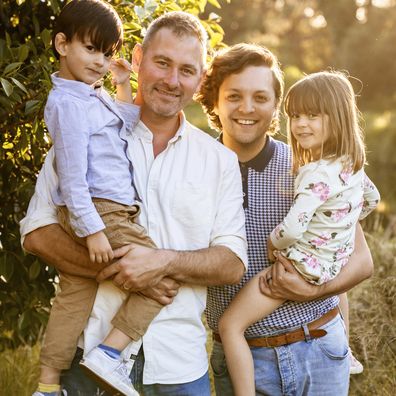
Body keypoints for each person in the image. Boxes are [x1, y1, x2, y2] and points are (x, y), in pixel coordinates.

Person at [21, 11, 247, 396]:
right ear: (138, 57)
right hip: (87, 362)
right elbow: (37, 233)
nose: (172, 80)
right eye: (162, 63)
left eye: (186, 70)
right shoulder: (85, 129)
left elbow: (232, 263)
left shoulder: (219, 160)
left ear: (201, 78)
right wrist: (119, 270)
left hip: (179, 368)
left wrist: (163, 262)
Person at [197, 43, 375, 395]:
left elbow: (362, 261)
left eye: (261, 97)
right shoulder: (193, 168)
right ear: (213, 100)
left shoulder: (308, 166)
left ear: (277, 105)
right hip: (241, 359)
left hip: (319, 349)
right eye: (234, 96)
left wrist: (315, 288)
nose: (247, 108)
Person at [31, 1, 174, 395]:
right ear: (62, 43)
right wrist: (93, 230)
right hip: (103, 211)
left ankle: (47, 384)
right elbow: (73, 179)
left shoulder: (88, 96)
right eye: (91, 49)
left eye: (107, 53)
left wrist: (123, 84)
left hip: (94, 211)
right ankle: (109, 355)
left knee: (74, 295)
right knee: (160, 278)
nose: (100, 61)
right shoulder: (69, 105)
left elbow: (124, 122)